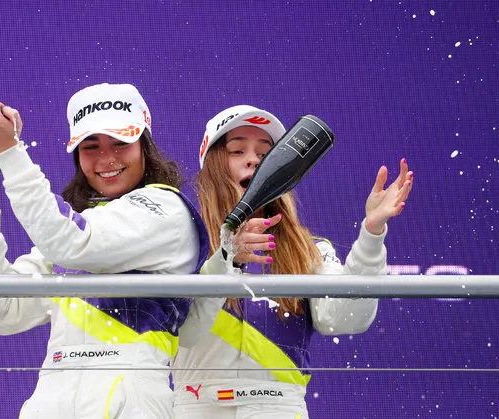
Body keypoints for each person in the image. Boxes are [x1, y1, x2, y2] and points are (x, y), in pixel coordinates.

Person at [0, 83, 209, 419]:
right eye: (90, 146)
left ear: (144, 145)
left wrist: (10, 153)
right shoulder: (83, 225)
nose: (106, 159)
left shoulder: (164, 208)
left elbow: (70, 242)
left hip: (134, 402)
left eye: (121, 143)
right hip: (50, 401)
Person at [173, 105, 413, 418]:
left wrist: (372, 232)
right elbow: (175, 325)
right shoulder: (185, 242)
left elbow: (345, 319)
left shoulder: (306, 248)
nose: (253, 159)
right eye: (237, 150)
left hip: (278, 407)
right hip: (196, 407)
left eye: (265, 153)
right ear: (212, 166)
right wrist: (225, 255)